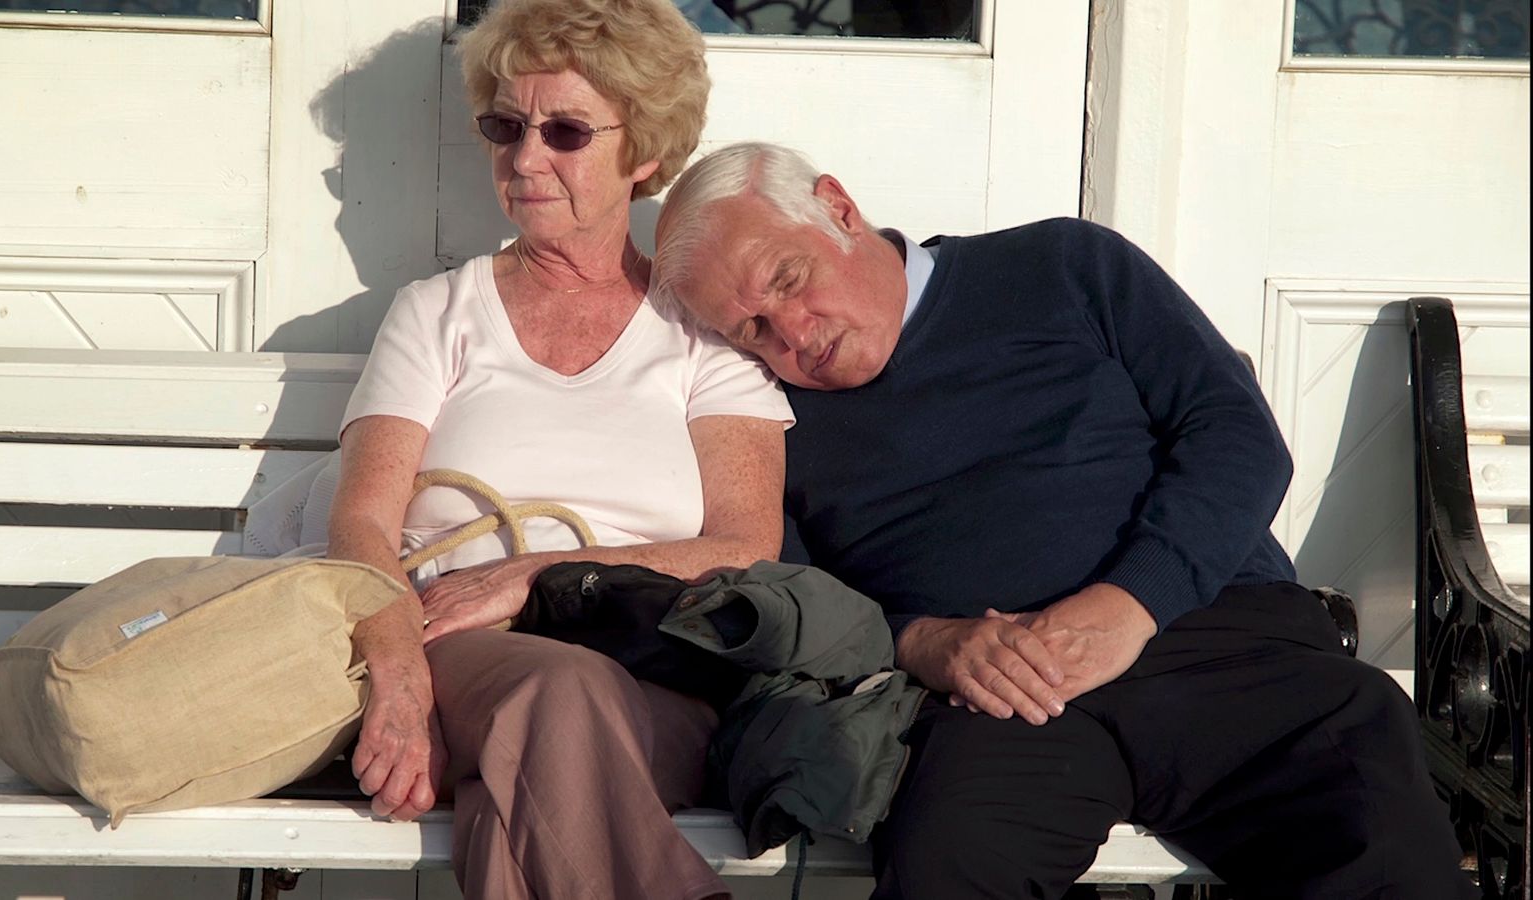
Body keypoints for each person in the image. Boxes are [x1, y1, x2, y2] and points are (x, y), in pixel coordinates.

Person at [650, 142, 1475, 899]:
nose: (793, 334)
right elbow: (800, 598)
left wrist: (1132, 604)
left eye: (789, 280)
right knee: (950, 862)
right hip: (998, 691)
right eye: (751, 329)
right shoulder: (769, 416)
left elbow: (1238, 436)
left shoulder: (1060, 265)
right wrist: (924, 641)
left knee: (1370, 812)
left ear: (838, 207)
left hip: (1213, 635)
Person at [327, 7, 792, 899]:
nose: (525, 158)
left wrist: (531, 575)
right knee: (553, 703)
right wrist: (397, 679)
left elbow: (743, 546)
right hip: (462, 663)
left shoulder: (703, 337)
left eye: (566, 132)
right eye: (505, 127)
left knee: (540, 768)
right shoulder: (438, 314)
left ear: (645, 152)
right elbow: (361, 522)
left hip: (652, 676)